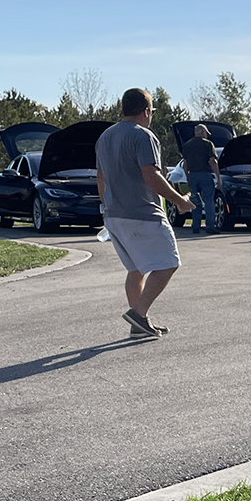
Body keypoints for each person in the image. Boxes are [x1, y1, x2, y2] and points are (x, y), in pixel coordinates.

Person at [95, 87, 193, 337]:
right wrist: (179, 200)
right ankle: (138, 313)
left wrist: (106, 206)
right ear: (146, 111)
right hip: (143, 213)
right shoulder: (144, 136)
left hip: (114, 214)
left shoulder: (105, 137)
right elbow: (151, 175)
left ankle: (139, 324)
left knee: (136, 270)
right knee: (169, 263)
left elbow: (101, 176)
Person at [180, 124, 220, 235]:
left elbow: (185, 164)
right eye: (206, 133)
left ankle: (196, 226)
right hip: (205, 175)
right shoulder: (208, 144)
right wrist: (218, 177)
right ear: (202, 132)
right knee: (209, 200)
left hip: (193, 175)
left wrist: (188, 177)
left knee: (195, 201)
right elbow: (212, 161)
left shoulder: (187, 145)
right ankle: (210, 225)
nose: (206, 135)